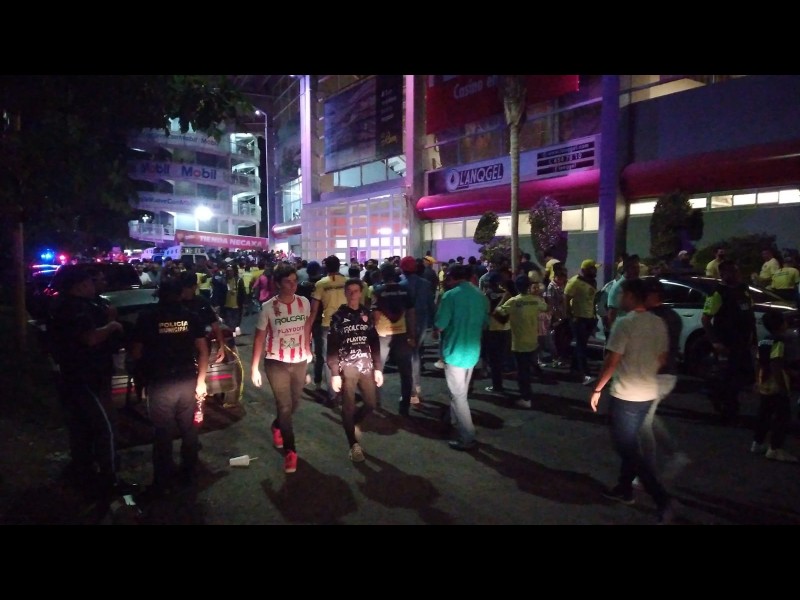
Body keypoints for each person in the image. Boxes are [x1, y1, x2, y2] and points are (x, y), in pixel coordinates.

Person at [589, 278, 674, 524]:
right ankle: (624, 488)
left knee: (626, 448)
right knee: (631, 444)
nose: (619, 298)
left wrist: (597, 389)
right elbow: (662, 357)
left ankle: (662, 499)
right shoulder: (658, 322)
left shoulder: (624, 323)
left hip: (626, 395)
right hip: (647, 392)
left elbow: (611, 361)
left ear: (631, 296)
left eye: (622, 294)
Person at [48, 267, 136, 505]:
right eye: (90, 282)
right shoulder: (73, 308)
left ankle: (83, 472)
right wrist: (112, 326)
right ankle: (110, 480)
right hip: (85, 378)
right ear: (79, 285)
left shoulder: (72, 305)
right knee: (106, 428)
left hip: (81, 376)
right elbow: (89, 338)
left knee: (82, 428)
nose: (95, 285)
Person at [130, 277, 209, 497]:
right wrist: (201, 381)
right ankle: (189, 473)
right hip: (187, 381)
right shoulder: (191, 317)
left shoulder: (147, 318)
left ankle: (163, 480)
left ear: (159, 294)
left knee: (162, 433)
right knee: (189, 429)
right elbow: (203, 351)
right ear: (180, 294)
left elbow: (136, 353)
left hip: (160, 383)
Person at [251, 264, 312, 474]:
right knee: (284, 406)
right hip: (276, 362)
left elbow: (306, 328)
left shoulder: (304, 303)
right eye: (288, 281)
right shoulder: (268, 307)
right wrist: (254, 368)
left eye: (295, 281)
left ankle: (277, 425)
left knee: (294, 403)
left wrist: (308, 350)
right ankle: (290, 451)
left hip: (300, 361)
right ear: (278, 284)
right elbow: (259, 338)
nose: (293, 285)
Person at [638, 278, 690, 483]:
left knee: (642, 423)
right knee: (648, 419)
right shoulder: (668, 315)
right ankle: (674, 454)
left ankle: (648, 473)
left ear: (653, 295)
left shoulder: (658, 317)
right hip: (660, 375)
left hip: (657, 376)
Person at [326, 279, 383, 463]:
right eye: (349, 291)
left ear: (361, 293)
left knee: (370, 404)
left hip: (366, 366)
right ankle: (353, 445)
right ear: (345, 293)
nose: (352, 294)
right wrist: (335, 372)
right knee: (348, 405)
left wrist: (378, 368)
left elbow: (374, 341)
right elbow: (332, 346)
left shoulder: (366, 314)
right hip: (347, 367)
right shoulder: (338, 317)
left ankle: (351, 423)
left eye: (356, 291)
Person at [434, 264, 489, 450]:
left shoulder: (450, 296)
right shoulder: (480, 295)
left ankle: (467, 435)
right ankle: (454, 420)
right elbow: (485, 323)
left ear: (452, 277)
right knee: (461, 392)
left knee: (458, 395)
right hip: (472, 350)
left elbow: (440, 324)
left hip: (454, 350)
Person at [701, 259, 758, 423]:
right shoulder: (718, 293)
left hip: (742, 341)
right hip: (726, 342)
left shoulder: (743, 289)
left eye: (737, 271)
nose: (737, 274)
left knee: (743, 376)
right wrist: (715, 342)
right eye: (733, 271)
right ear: (724, 274)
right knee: (727, 376)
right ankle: (728, 409)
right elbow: (706, 319)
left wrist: (752, 337)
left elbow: (749, 314)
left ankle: (726, 401)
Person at [494, 274, 549, 409]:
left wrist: (503, 299)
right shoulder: (536, 300)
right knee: (527, 368)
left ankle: (526, 397)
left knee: (522, 371)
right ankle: (528, 392)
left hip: (519, 342)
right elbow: (546, 307)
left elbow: (498, 312)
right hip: (533, 340)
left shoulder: (513, 301)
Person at [750, 311, 798, 462]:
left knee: (764, 414)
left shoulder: (764, 341)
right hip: (776, 385)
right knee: (783, 417)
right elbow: (776, 364)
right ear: (781, 324)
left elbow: (758, 362)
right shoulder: (779, 342)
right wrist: (783, 386)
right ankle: (775, 449)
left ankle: (757, 442)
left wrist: (757, 381)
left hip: (764, 384)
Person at [371, 262, 416, 416]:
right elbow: (411, 314)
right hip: (401, 333)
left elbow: (376, 315)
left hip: (382, 334)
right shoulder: (405, 290)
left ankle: (376, 401)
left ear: (382, 275)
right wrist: (412, 334)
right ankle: (404, 406)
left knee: (377, 368)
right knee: (405, 372)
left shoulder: (378, 291)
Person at [309, 255, 348, 406]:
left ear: (326, 267)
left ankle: (333, 395)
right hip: (346, 324)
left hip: (328, 325)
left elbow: (314, 309)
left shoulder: (321, 284)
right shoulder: (347, 282)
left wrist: (308, 328)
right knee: (346, 358)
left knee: (329, 361)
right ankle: (346, 391)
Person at [400, 256, 435, 408]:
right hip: (422, 322)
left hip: (407, 324)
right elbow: (431, 305)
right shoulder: (425, 284)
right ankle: (416, 386)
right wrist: (434, 324)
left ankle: (413, 390)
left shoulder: (401, 285)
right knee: (416, 353)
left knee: (410, 356)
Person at [565, 259, 599, 386]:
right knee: (581, 346)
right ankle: (585, 374)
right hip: (578, 317)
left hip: (589, 317)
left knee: (582, 344)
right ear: (584, 270)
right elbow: (566, 298)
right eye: (592, 268)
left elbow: (592, 300)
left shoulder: (592, 282)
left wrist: (594, 315)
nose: (595, 271)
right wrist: (570, 315)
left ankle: (574, 368)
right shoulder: (575, 282)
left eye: (595, 268)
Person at [296, 260, 325, 392]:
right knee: (319, 352)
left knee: (303, 348)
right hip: (319, 320)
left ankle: (303, 375)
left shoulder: (302, 285)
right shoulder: (322, 285)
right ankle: (318, 381)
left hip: (304, 320)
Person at [483, 272, 512, 394]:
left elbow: (485, 312)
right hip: (506, 329)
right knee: (502, 357)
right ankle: (501, 381)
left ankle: (497, 385)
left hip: (492, 329)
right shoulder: (507, 294)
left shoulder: (486, 295)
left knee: (493, 359)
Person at [606, 254, 640, 332]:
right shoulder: (618, 288)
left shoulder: (637, 285)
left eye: (638, 268)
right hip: (623, 330)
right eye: (634, 268)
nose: (637, 271)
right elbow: (612, 314)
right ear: (626, 269)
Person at [544, 265, 569, 367]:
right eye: (560, 278)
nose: (562, 280)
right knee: (557, 338)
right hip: (556, 316)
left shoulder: (564, 284)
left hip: (565, 314)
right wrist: (556, 317)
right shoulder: (552, 286)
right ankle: (556, 358)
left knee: (564, 337)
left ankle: (562, 357)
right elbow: (551, 303)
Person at [222, 264, 247, 335]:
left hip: (236, 304)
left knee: (236, 321)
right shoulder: (223, 280)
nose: (229, 272)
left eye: (231, 270)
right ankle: (231, 333)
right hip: (227, 304)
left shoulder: (239, 280)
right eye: (228, 271)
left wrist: (244, 302)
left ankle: (233, 332)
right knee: (228, 321)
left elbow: (242, 292)